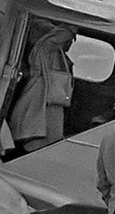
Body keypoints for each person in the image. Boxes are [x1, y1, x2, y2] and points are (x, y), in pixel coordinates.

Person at [9, 23, 75, 153]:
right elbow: (57, 37)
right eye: (69, 41)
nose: (70, 43)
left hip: (52, 102)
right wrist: (72, 27)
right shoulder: (42, 50)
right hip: (42, 99)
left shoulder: (57, 56)